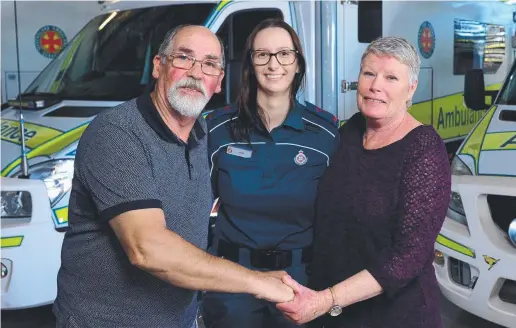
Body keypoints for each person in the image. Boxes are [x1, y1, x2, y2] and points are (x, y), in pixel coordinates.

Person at [52, 24, 293, 328]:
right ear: (158, 66)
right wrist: (258, 282)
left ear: (218, 81)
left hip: (180, 319)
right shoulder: (117, 133)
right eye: (184, 58)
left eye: (209, 64)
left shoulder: (203, 133)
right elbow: (147, 248)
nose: (195, 72)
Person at [276, 36, 452, 327]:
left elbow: (408, 256)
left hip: (396, 316)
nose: (375, 86)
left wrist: (326, 299)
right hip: (335, 311)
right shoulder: (348, 132)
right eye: (368, 73)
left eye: (391, 77)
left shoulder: (423, 149)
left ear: (411, 88)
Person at [202, 18, 340, 328]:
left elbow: (337, 216)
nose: (273, 63)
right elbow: (193, 208)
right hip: (231, 282)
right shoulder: (217, 130)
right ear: (250, 63)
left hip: (300, 283)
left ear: (297, 63)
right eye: (262, 54)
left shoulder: (325, 134)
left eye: (284, 54)